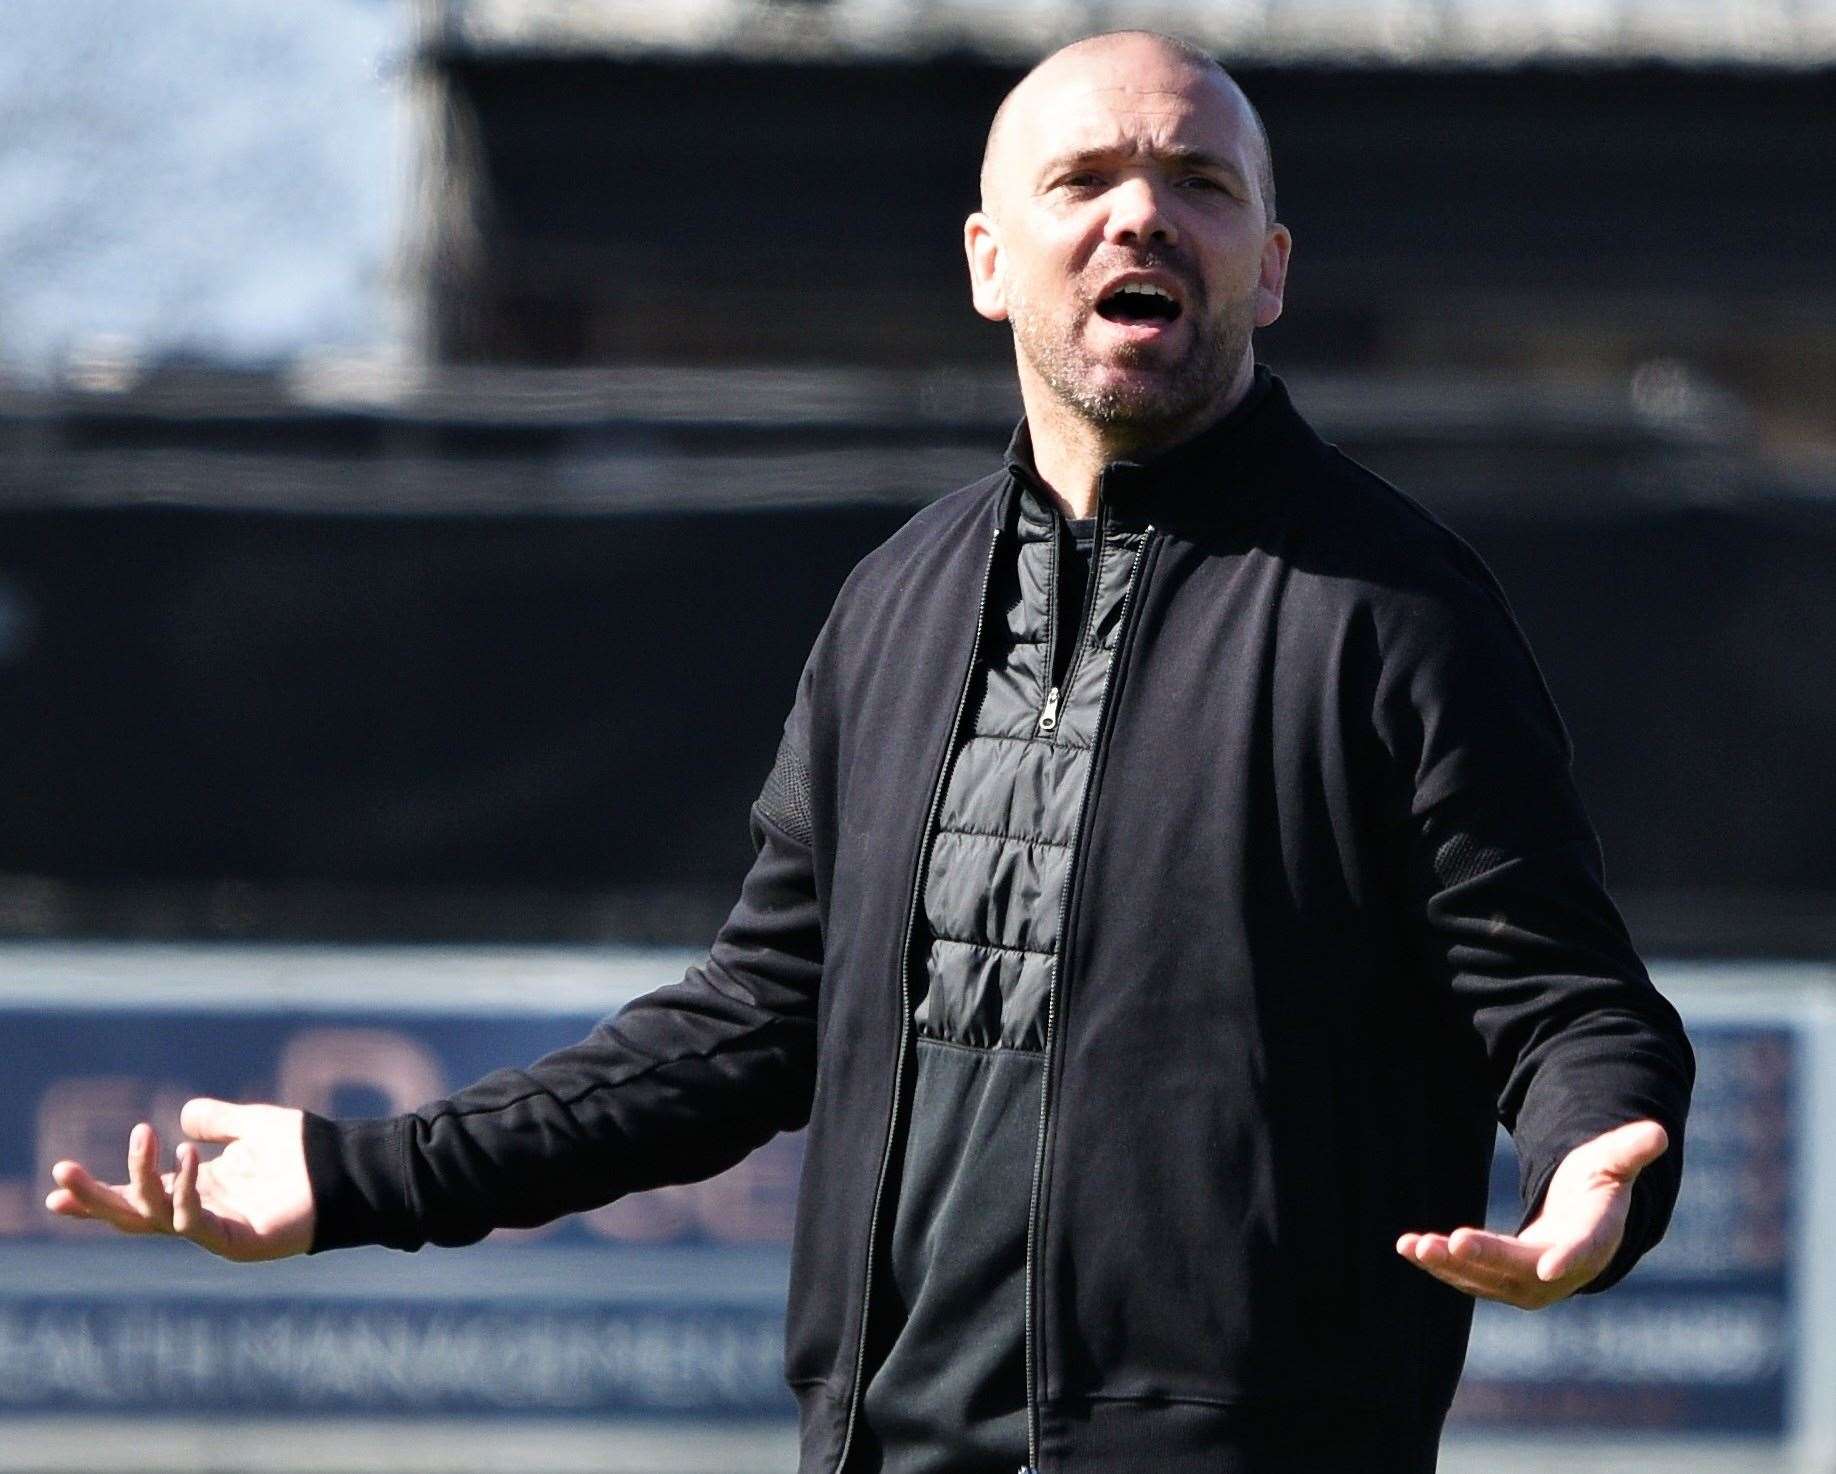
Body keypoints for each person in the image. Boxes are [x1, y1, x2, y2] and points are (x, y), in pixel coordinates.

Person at [45, 30, 1694, 1474]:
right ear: (990, 258)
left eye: (1196, 180)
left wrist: (1594, 1162)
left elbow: (1564, 1005)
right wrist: (356, 1172)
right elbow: (749, 1022)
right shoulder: (895, 610)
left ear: (1266, 265)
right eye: (1087, 178)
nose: (1139, 212)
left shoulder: (1391, 612)